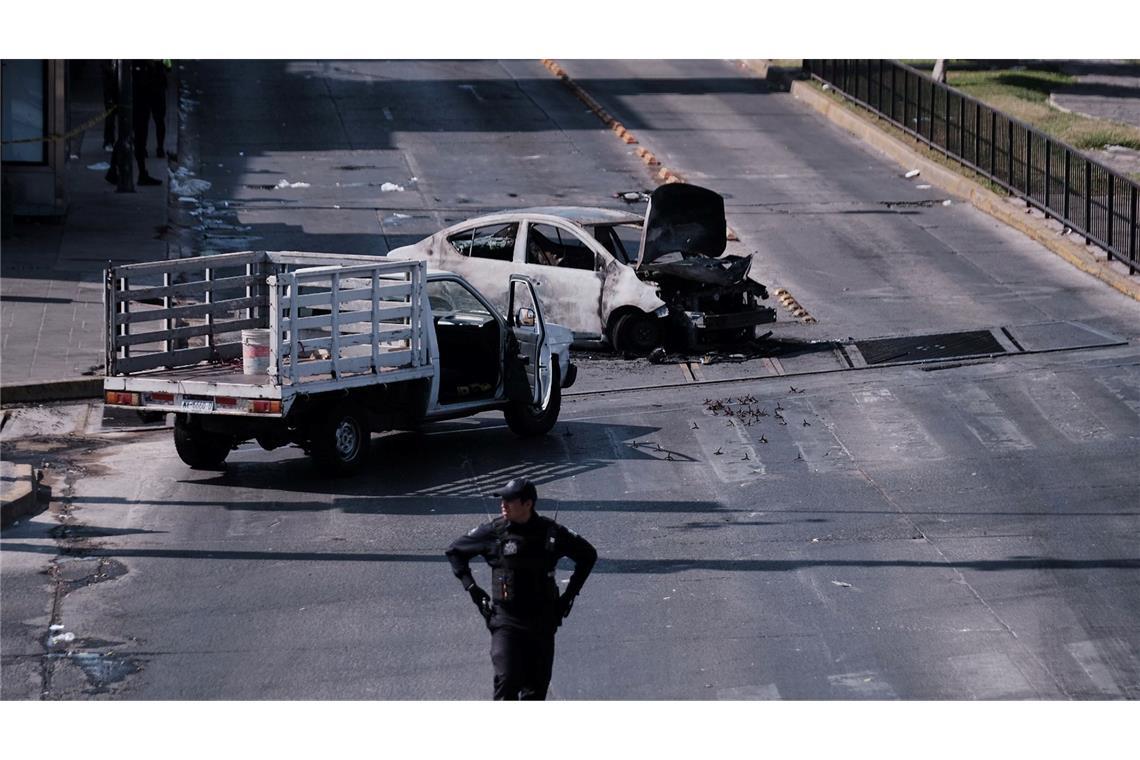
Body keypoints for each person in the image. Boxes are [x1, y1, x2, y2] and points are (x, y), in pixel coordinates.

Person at [446, 477, 597, 700]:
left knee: (535, 690)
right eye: (502, 500)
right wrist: (473, 589)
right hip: (507, 621)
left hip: (543, 621)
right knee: (508, 680)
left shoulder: (551, 533)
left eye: (510, 500)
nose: (503, 505)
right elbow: (455, 552)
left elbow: (588, 555)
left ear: (528, 504)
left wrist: (568, 597)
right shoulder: (494, 532)